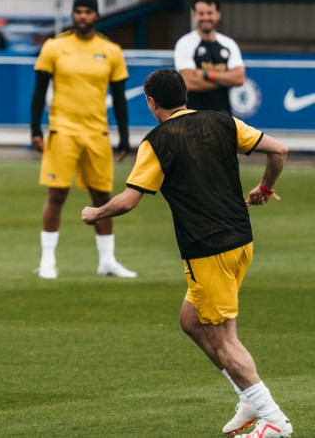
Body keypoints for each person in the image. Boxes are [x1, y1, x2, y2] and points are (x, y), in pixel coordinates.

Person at [81, 69, 292, 438]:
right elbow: (279, 150)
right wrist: (264, 187)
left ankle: (274, 419)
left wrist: (95, 213)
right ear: (184, 95)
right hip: (241, 241)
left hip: (208, 250)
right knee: (191, 321)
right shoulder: (222, 121)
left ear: (151, 103)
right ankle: (247, 396)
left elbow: (129, 201)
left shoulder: (157, 141)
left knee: (225, 340)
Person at [30, 0, 135, 279]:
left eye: (88, 12)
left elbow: (120, 97)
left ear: (96, 16)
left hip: (97, 132)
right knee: (57, 194)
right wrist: (35, 130)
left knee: (102, 195)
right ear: (73, 14)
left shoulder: (110, 50)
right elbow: (38, 91)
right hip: (62, 130)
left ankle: (107, 261)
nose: (82, 16)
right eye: (78, 11)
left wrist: (124, 138)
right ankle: (47, 260)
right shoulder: (54, 46)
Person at [174, 0, 246, 113]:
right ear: (194, 15)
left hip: (223, 117)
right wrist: (225, 79)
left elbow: (239, 78)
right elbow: (188, 82)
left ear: (218, 15)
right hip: (193, 117)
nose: (205, 17)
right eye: (201, 14)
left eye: (210, 13)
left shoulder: (229, 44)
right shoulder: (185, 43)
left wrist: (206, 74)